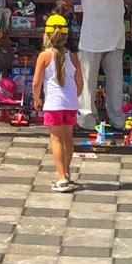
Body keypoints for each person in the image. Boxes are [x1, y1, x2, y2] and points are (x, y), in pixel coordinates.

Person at [62, 0, 130, 129]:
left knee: (88, 77)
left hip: (93, 29)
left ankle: (87, 119)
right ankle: (117, 119)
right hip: (115, 29)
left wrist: (67, 6)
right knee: (115, 77)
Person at [32, 13, 83, 193]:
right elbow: (80, 83)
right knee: (68, 138)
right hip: (70, 103)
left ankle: (61, 178)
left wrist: (37, 99)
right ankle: (66, 172)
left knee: (56, 139)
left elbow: (36, 82)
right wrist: (74, 98)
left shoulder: (44, 56)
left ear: (46, 34)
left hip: (53, 104)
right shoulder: (73, 57)